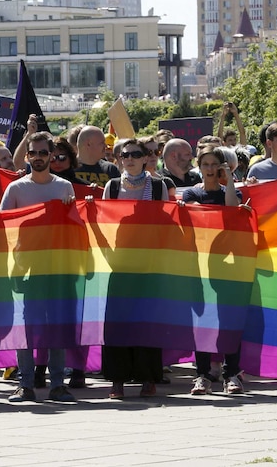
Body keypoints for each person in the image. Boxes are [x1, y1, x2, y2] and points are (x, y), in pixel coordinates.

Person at [0, 131, 76, 404]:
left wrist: (76, 209)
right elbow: (2, 226)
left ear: (52, 155)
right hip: (26, 268)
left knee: (56, 326)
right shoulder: (16, 189)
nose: (40, 158)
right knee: (26, 328)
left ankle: (58, 384)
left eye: (44, 153)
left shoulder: (64, 186)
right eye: (34, 153)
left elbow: (75, 227)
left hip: (57, 268)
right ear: (27, 155)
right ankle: (25, 384)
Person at [102, 139, 168, 399]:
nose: (129, 158)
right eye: (124, 154)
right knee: (117, 321)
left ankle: (148, 378)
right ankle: (117, 379)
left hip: (149, 263)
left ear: (145, 157)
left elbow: (165, 221)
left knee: (147, 320)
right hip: (119, 262)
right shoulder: (113, 185)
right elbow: (104, 220)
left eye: (135, 154)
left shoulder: (159, 185)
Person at [179, 146, 247, 394]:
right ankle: (202, 375)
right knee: (203, 321)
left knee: (229, 319)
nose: (209, 169)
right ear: (199, 166)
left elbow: (231, 207)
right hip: (199, 265)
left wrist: (228, 179)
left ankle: (232, 374)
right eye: (205, 164)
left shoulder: (230, 192)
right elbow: (197, 216)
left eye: (213, 165)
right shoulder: (190, 194)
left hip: (228, 265)